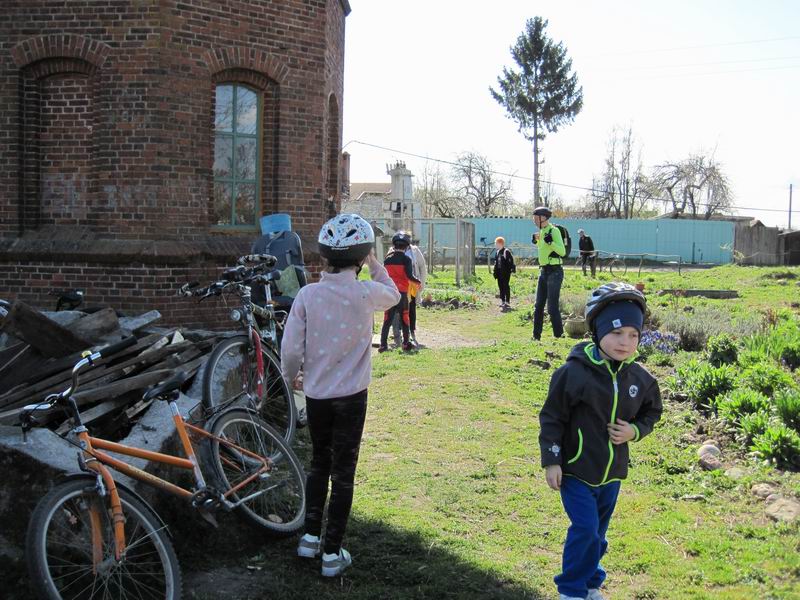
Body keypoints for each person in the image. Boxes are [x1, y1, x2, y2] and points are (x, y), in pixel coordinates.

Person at [282, 213, 400, 577]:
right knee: (343, 472)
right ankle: (332, 553)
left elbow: (290, 350)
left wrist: (290, 379)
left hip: (317, 395)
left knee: (319, 462)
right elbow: (394, 294)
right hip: (352, 396)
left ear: (324, 257)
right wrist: (375, 263)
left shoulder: (307, 294)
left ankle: (309, 539)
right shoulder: (366, 292)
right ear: (361, 256)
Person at [538, 282, 663, 600]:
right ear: (598, 331)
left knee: (599, 534)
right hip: (576, 472)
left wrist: (635, 431)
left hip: (612, 475)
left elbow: (652, 413)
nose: (626, 342)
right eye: (618, 333)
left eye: (634, 335)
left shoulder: (640, 379)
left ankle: (592, 583)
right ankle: (571, 590)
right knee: (585, 530)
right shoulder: (574, 373)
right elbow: (552, 417)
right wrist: (552, 460)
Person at [380, 231, 421, 352]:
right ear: (407, 246)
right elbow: (410, 276)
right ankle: (405, 343)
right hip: (402, 293)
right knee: (404, 317)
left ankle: (383, 345)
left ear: (394, 245)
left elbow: (384, 276)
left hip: (389, 292)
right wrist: (418, 282)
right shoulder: (406, 259)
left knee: (387, 319)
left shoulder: (387, 259)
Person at [531, 206, 566, 340]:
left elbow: (562, 252)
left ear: (543, 218)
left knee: (552, 306)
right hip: (544, 271)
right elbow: (542, 249)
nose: (534, 220)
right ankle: (536, 336)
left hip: (555, 271)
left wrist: (550, 242)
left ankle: (559, 336)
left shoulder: (554, 230)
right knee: (538, 305)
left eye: (535, 218)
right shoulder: (542, 231)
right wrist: (536, 240)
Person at [406, 236, 428, 345]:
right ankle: (398, 331)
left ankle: (411, 330)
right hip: (400, 284)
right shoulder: (393, 250)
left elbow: (422, 267)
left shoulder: (414, 250)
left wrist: (421, 283)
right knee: (398, 309)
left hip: (412, 284)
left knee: (411, 307)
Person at [492, 236, 516, 308]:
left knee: (506, 286)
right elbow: (496, 263)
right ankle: (502, 301)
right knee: (500, 286)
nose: (495, 245)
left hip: (505, 273)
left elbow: (510, 262)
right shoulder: (497, 252)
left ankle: (507, 301)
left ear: (500, 243)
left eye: (496, 243)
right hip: (499, 273)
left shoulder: (506, 251)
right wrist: (495, 272)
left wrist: (510, 270)